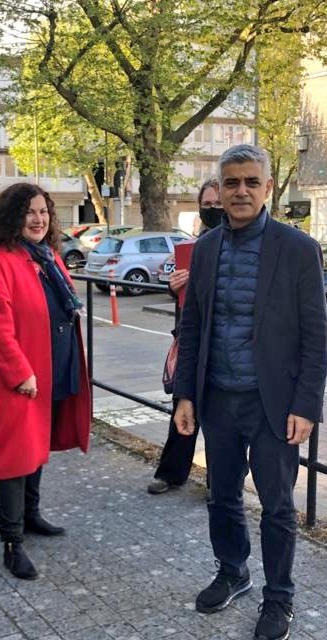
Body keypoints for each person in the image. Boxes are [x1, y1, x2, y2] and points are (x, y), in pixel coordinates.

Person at [173, 144, 327, 640]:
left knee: (278, 505)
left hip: (275, 406)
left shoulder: (298, 250)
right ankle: (232, 571)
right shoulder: (207, 248)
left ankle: (279, 595)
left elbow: (315, 336)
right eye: (232, 182)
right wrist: (185, 396)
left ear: (267, 189)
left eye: (250, 182)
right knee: (221, 494)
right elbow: (192, 325)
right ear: (219, 190)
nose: (241, 191)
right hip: (217, 397)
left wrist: (307, 405)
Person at [0, 183, 91, 580]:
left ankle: (31, 515)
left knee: (36, 443)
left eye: (43, 211)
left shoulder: (47, 256)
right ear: (12, 217)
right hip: (19, 376)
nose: (38, 219)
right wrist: (19, 372)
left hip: (51, 365)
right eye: (29, 213)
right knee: (12, 457)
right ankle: (11, 543)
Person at [147, 178, 222, 495]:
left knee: (221, 419)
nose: (213, 209)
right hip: (191, 339)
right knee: (183, 405)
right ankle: (172, 473)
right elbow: (179, 297)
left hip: (223, 341)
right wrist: (173, 285)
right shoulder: (195, 244)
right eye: (207, 204)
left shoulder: (237, 244)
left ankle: (219, 482)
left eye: (218, 204)